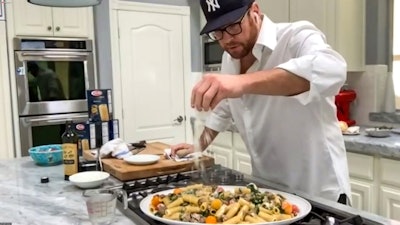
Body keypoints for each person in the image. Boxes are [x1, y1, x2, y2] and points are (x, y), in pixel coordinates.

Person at [171, 0, 351, 204]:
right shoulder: (229, 58)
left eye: (233, 25)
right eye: (218, 32)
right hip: (269, 192)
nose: (227, 39)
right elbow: (224, 108)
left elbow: (332, 69)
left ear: (254, 11)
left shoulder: (295, 36)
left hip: (317, 191)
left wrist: (240, 82)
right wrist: (198, 144)